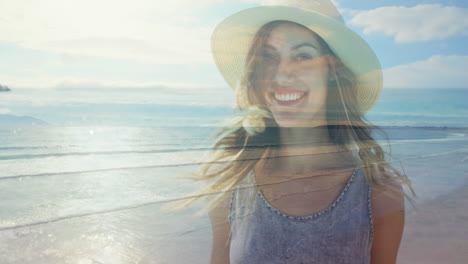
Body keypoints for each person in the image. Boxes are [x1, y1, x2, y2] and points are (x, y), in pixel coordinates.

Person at [174, 1, 415, 263]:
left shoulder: (379, 194)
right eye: (269, 57)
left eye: (302, 56)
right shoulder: (230, 187)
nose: (282, 73)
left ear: (332, 71)